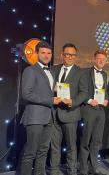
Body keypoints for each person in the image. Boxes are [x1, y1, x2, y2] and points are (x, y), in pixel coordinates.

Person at [19, 41, 61, 175]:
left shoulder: (52, 72)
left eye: (49, 53)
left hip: (49, 117)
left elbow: (47, 91)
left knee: (43, 151)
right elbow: (26, 94)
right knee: (30, 152)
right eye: (43, 52)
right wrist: (50, 100)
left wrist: (57, 91)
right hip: (35, 117)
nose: (46, 55)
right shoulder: (30, 70)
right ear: (37, 54)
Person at [50, 43, 88, 175]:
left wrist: (73, 102)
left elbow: (84, 92)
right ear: (62, 55)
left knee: (71, 146)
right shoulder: (53, 69)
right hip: (54, 113)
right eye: (67, 54)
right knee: (54, 146)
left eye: (73, 55)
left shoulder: (81, 72)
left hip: (71, 114)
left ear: (75, 56)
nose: (70, 57)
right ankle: (54, 170)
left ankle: (71, 171)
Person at [80, 50, 108, 175]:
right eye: (99, 58)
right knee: (85, 140)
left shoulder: (105, 74)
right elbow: (80, 90)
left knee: (97, 141)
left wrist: (106, 99)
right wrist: (89, 100)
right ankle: (83, 169)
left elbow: (104, 90)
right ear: (94, 59)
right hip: (88, 110)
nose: (101, 61)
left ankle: (94, 167)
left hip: (101, 111)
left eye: (103, 59)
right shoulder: (85, 72)